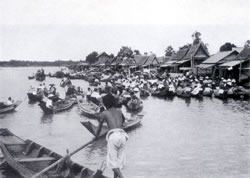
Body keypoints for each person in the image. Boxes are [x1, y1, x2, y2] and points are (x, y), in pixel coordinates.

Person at [96, 93, 128, 178]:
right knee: (117, 163)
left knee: (111, 163)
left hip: (114, 137)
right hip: (123, 136)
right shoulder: (119, 111)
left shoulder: (104, 113)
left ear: (106, 103)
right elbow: (123, 123)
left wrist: (96, 137)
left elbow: (99, 128)